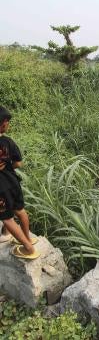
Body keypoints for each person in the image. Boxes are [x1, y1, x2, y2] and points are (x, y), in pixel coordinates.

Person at [0, 106, 40, 259]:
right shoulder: (8, 142)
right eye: (7, 122)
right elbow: (18, 163)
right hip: (13, 181)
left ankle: (28, 248)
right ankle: (29, 239)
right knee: (19, 210)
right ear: (3, 123)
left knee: (6, 218)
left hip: (1, 188)